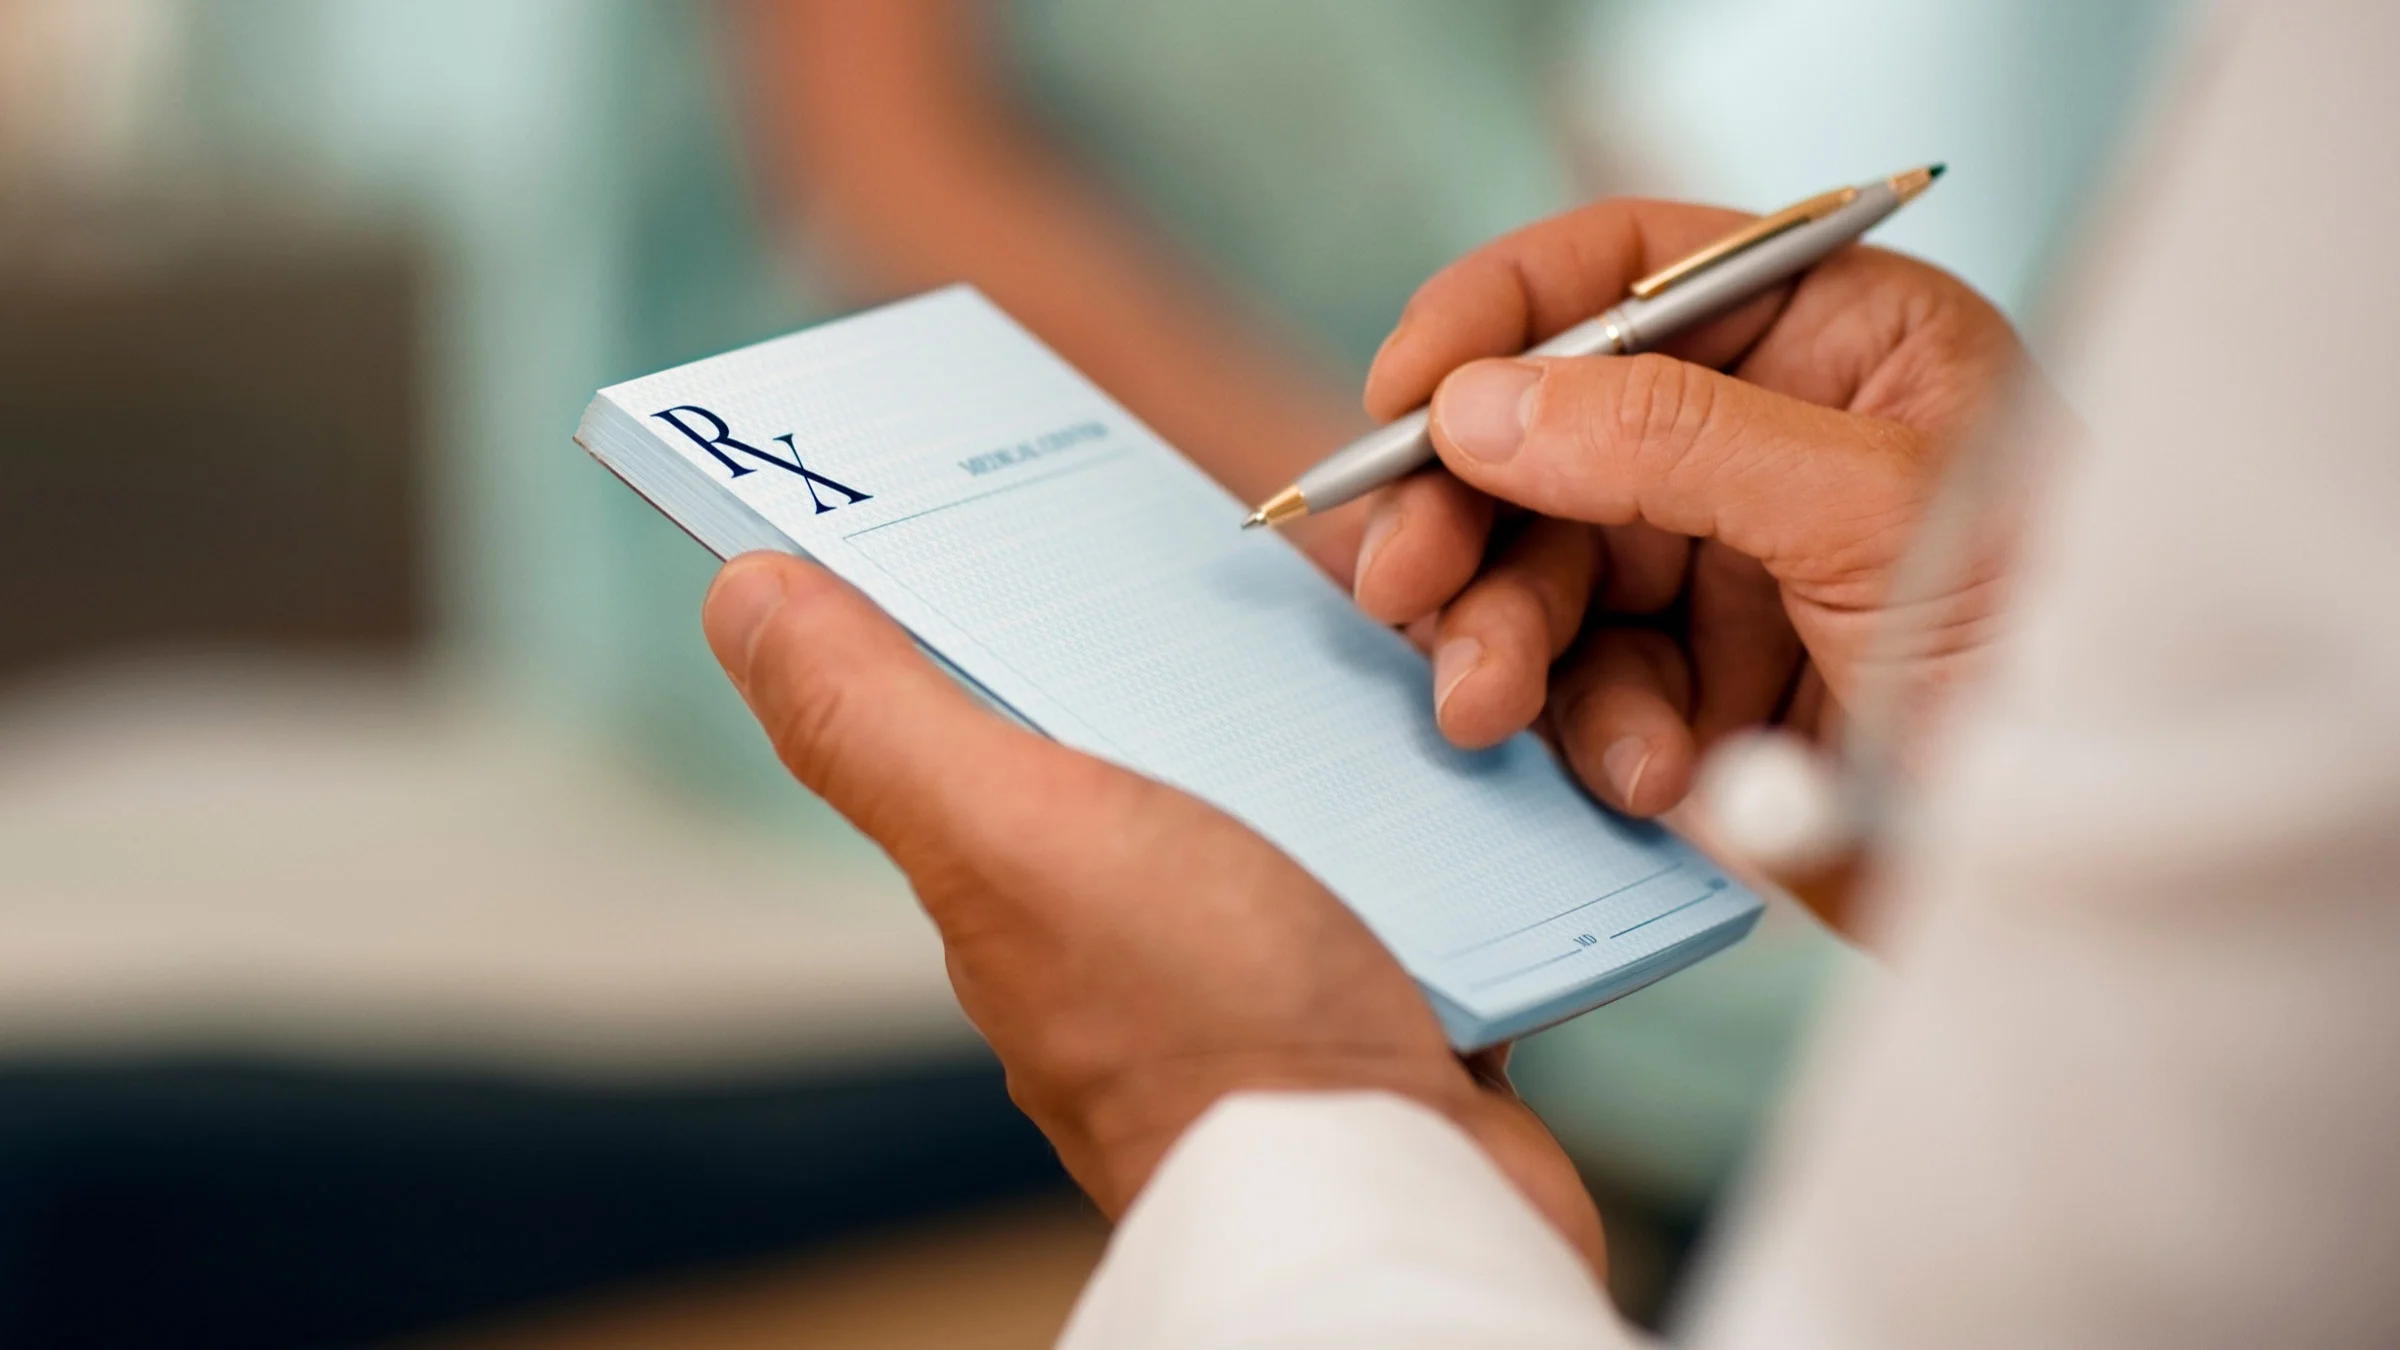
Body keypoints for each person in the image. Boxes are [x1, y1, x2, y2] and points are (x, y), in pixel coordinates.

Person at [697, 1, 2400, 1343]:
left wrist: (1268, 1130)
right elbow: (886, 155)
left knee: (1690, 910)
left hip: (1450, 512)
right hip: (1260, 487)